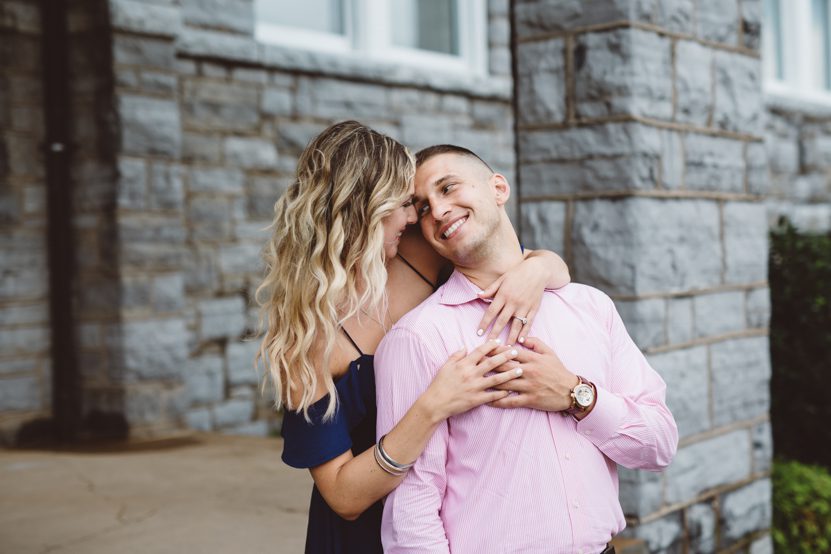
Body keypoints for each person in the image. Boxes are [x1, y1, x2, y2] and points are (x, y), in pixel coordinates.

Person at [256, 121, 571, 554]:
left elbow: (519, 255)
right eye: (404, 204)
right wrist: (432, 406)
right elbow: (344, 498)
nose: (415, 217)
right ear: (362, 209)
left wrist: (536, 269)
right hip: (363, 538)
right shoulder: (307, 338)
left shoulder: (418, 256)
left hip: (452, 517)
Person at [374, 145, 679, 554]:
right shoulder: (419, 337)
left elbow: (659, 445)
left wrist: (576, 395)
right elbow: (411, 511)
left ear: (498, 187)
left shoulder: (590, 306)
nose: (439, 210)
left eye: (448, 188)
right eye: (423, 207)